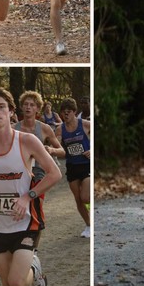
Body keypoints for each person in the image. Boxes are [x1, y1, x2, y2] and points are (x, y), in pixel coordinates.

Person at [0, 88, 61, 286]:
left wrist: (28, 196)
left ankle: (34, 267)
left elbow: (55, 174)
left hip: (26, 222)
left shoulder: (27, 140)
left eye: (1, 107)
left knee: (16, 282)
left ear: (11, 112)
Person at [15, 91, 65, 246]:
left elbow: (62, 151)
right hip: (17, 173)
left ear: (38, 109)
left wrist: (51, 151)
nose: (28, 107)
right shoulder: (13, 128)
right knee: (19, 209)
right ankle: (19, 244)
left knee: (34, 210)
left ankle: (33, 249)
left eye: (32, 105)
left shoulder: (44, 129)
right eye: (26, 104)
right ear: (21, 108)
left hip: (38, 173)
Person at [55, 98, 92, 238]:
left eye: (68, 112)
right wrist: (52, 149)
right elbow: (57, 146)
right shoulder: (60, 129)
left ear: (75, 112)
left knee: (85, 197)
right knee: (78, 199)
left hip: (86, 164)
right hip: (72, 166)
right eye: (64, 113)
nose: (66, 115)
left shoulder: (86, 125)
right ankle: (88, 225)